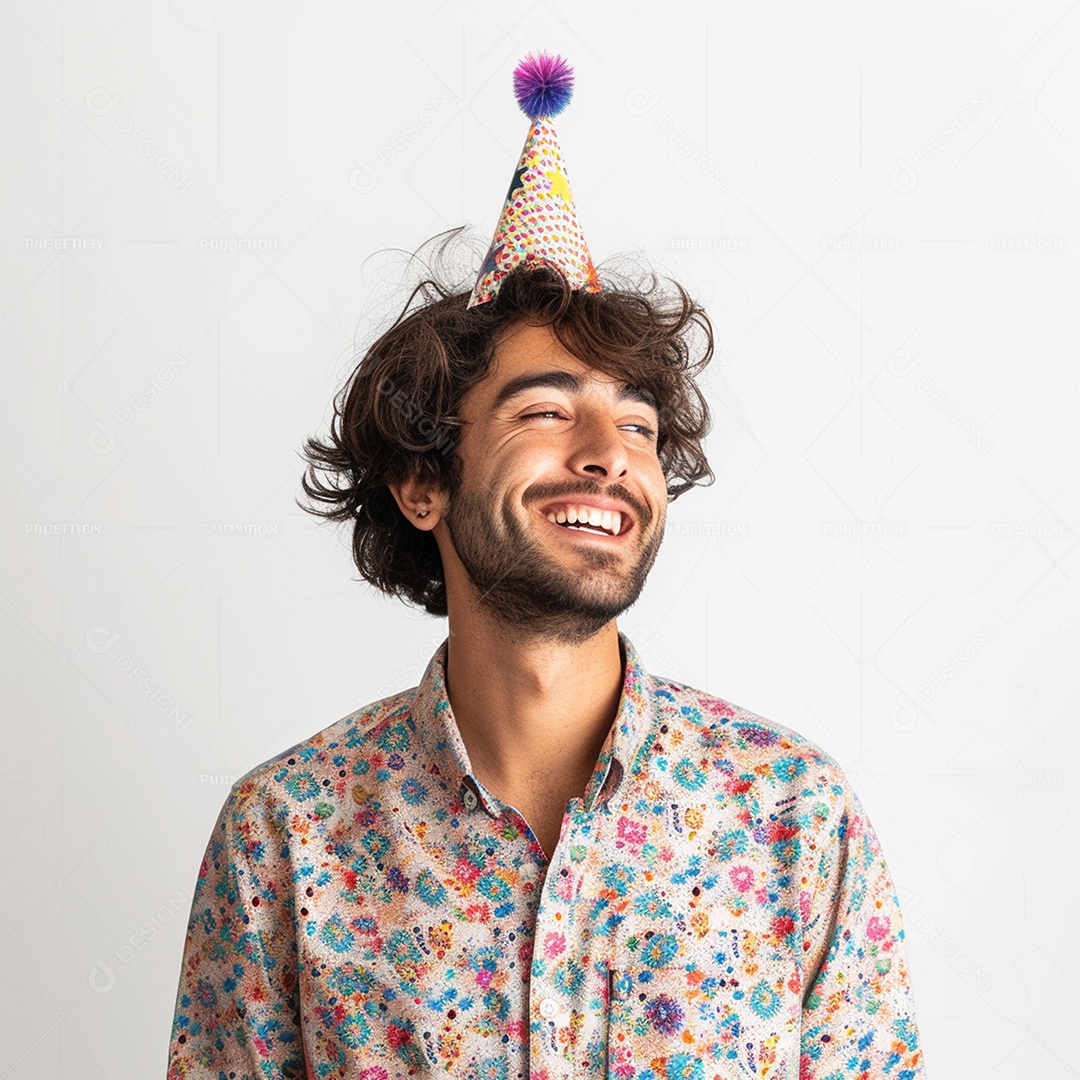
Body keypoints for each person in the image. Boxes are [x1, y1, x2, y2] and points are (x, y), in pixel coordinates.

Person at [166, 54, 923, 1080]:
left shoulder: (793, 815)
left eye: (641, 426)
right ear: (422, 483)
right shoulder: (287, 838)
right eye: (547, 411)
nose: (610, 452)